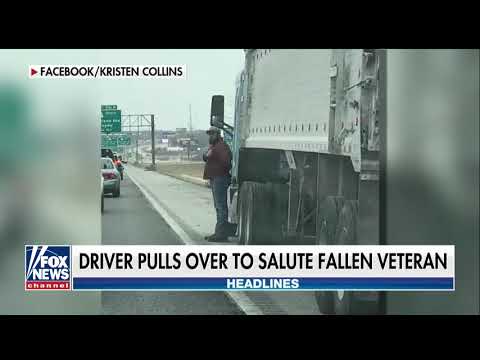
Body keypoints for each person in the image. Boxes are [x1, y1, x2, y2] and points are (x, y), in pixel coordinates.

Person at [203, 127, 237, 242]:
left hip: (220, 178)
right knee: (219, 206)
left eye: (212, 134)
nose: (210, 136)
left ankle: (221, 234)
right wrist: (209, 156)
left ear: (217, 134)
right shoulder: (214, 146)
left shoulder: (221, 146)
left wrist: (214, 159)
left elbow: (226, 162)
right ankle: (219, 232)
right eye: (209, 134)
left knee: (221, 206)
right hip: (216, 178)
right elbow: (206, 156)